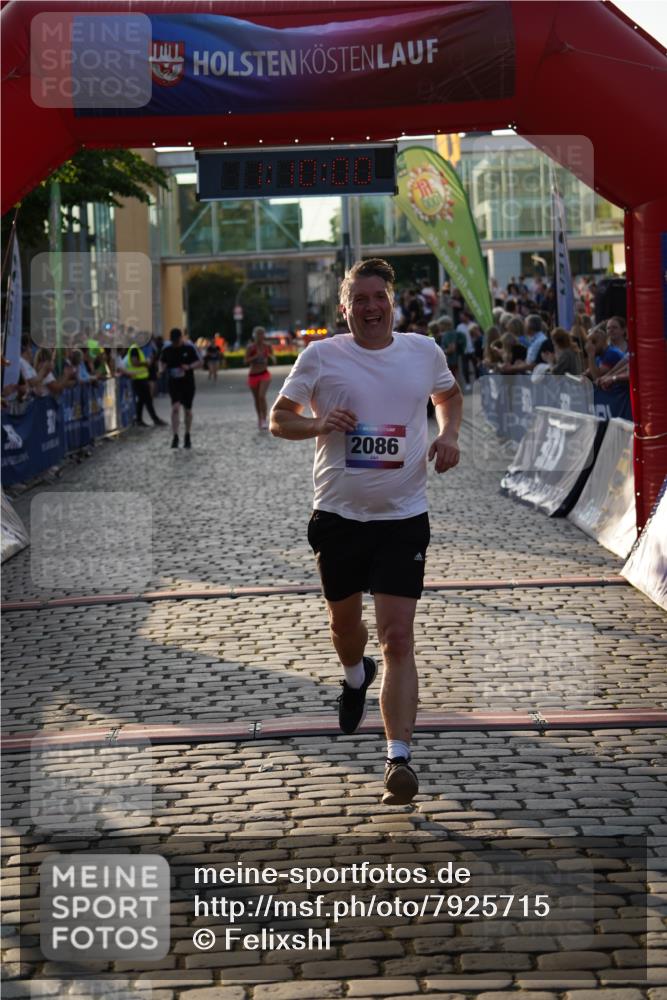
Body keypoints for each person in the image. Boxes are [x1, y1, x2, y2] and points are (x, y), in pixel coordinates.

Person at [270, 258, 462, 806]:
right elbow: (278, 419)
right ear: (344, 307)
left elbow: (449, 397)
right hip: (338, 518)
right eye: (362, 300)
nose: (372, 307)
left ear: (392, 302)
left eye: (381, 297)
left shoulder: (423, 352)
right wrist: (318, 423)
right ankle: (355, 675)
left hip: (404, 517)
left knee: (398, 637)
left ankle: (398, 757)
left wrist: (448, 436)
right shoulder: (321, 357)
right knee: (345, 626)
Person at [159, 327, 202, 448]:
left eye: (176, 341)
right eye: (173, 341)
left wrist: (188, 366)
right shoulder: (167, 349)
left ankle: (187, 435)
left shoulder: (189, 348)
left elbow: (199, 362)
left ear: (181, 338)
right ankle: (175, 436)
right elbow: (162, 361)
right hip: (174, 383)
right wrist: (161, 369)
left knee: (187, 411)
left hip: (188, 383)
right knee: (175, 408)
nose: (175, 344)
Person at [122, 340, 167, 428]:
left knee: (142, 401)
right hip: (138, 379)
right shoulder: (135, 349)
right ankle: (154, 419)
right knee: (147, 400)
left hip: (140, 378)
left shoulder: (137, 349)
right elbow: (134, 362)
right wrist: (146, 363)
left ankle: (139, 420)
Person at [245, 326, 275, 430]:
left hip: (264, 373)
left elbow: (272, 356)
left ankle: (264, 418)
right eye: (258, 334)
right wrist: (255, 356)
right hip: (253, 375)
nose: (261, 336)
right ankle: (260, 418)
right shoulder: (251, 347)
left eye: (262, 334)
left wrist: (272, 358)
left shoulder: (267, 346)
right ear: (254, 335)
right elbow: (245, 361)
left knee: (261, 396)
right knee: (257, 399)